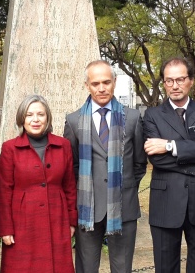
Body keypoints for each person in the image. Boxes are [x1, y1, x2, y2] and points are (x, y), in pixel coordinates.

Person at [64, 60, 146, 273]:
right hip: (88, 209)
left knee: (122, 268)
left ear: (115, 82)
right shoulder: (73, 121)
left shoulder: (133, 118)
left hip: (123, 208)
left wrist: (123, 187)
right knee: (86, 268)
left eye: (106, 82)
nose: (101, 88)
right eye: (95, 83)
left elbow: (139, 164)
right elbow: (71, 166)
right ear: (87, 86)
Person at [142, 57, 195, 273]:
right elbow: (155, 158)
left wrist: (168, 145)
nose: (175, 86)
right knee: (165, 267)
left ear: (191, 80)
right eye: (169, 81)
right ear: (164, 83)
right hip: (166, 201)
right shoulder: (153, 115)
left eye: (180, 79)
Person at [0, 95, 77, 273]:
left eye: (40, 114)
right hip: (22, 223)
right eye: (29, 114)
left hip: (57, 219)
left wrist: (71, 221)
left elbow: (70, 186)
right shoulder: (10, 148)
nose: (35, 119)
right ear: (21, 118)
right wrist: (5, 228)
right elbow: (3, 190)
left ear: (47, 117)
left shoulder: (63, 146)